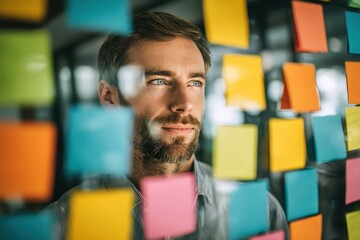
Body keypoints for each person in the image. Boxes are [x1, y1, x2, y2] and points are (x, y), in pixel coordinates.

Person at [44, 11, 289, 239]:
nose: (184, 104)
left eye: (195, 83)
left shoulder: (260, 211)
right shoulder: (62, 225)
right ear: (110, 97)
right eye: (159, 81)